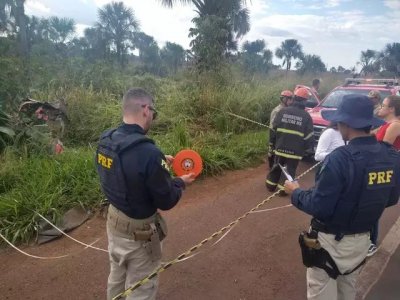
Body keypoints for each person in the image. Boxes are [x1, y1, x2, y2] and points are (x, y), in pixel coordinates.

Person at [284, 94, 400, 300]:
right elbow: (391, 199)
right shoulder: (391, 156)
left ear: (346, 123)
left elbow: (320, 206)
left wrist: (296, 193)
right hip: (361, 244)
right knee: (347, 292)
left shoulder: (339, 159)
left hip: (330, 245)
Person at [96, 88, 196, 300]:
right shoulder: (148, 153)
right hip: (139, 235)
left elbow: (127, 172)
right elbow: (166, 199)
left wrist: (158, 162)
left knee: (117, 279)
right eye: (153, 112)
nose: (152, 117)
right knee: (141, 288)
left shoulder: (107, 140)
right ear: (145, 109)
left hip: (114, 225)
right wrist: (179, 182)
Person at [368, 95, 400, 256]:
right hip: (382, 167)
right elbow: (371, 135)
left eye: (384, 105)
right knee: (373, 205)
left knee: (375, 204)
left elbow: (383, 150)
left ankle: (371, 243)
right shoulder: (386, 124)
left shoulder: (395, 125)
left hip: (387, 169)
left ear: (392, 109)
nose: (381, 107)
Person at [266, 87, 314, 195]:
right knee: (289, 171)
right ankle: (282, 190)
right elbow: (309, 135)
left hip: (280, 147)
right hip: (295, 151)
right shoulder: (306, 116)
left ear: (294, 99)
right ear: (305, 101)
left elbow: (273, 129)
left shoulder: (282, 111)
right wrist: (308, 149)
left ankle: (270, 185)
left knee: (277, 166)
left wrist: (271, 145)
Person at [267, 90, 294, 168]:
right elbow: (272, 127)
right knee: (272, 153)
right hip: (276, 136)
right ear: (284, 99)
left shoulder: (286, 110)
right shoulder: (277, 111)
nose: (291, 101)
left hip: (282, 137)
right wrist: (272, 143)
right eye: (290, 99)